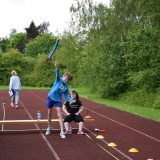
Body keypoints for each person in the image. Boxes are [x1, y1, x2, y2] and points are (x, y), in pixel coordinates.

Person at [45, 61, 73, 138]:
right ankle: (49, 127)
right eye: (66, 78)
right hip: (51, 97)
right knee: (49, 112)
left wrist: (71, 101)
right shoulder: (59, 80)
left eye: (68, 80)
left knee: (60, 114)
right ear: (64, 76)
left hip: (58, 100)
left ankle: (62, 131)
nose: (66, 80)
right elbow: (57, 75)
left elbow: (66, 95)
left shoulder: (66, 87)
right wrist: (57, 68)